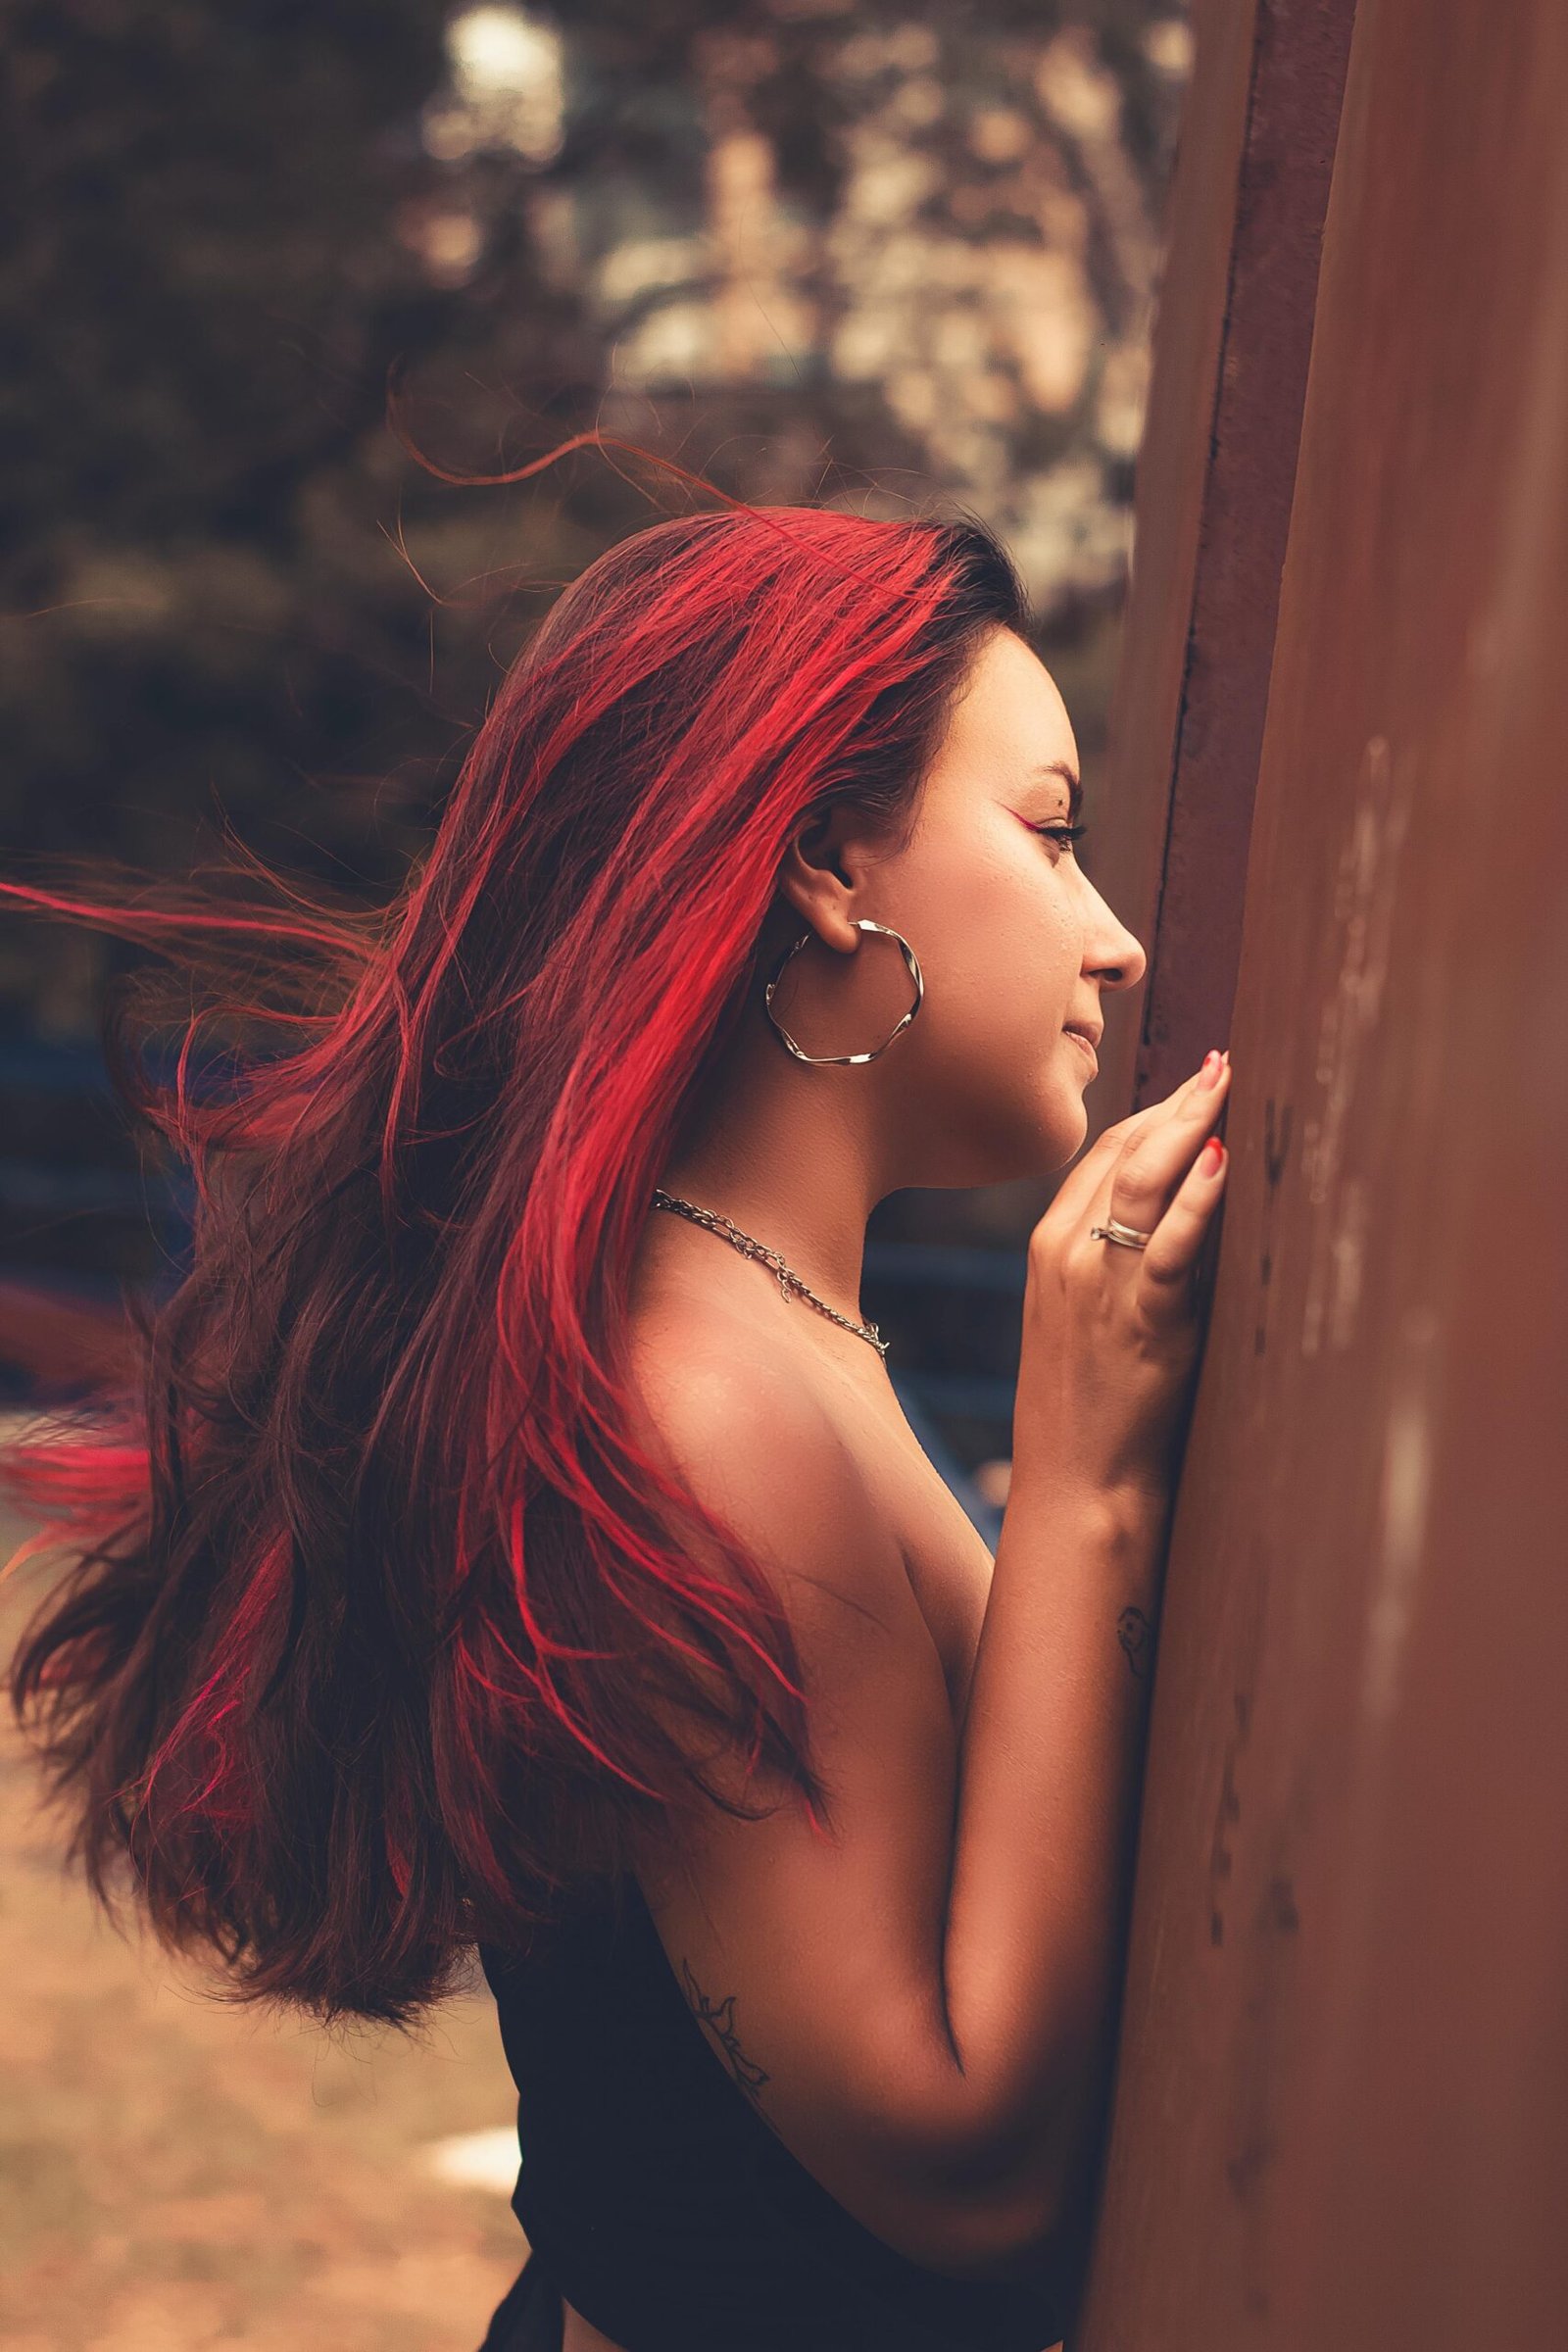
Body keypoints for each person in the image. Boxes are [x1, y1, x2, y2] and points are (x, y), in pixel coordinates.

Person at [5, 502, 1230, 2352]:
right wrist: (1088, 1484)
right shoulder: (704, 1401)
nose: (1114, 939)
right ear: (826, 866)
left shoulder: (768, 1332)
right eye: (1053, 834)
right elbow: (967, 2175)